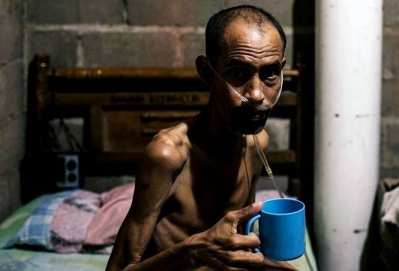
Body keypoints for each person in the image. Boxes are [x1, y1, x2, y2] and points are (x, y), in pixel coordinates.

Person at [106, 5, 295, 271]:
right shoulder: (169, 154)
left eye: (269, 73)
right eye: (238, 73)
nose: (255, 94)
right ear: (207, 73)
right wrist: (190, 253)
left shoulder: (256, 144)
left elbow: (236, 241)